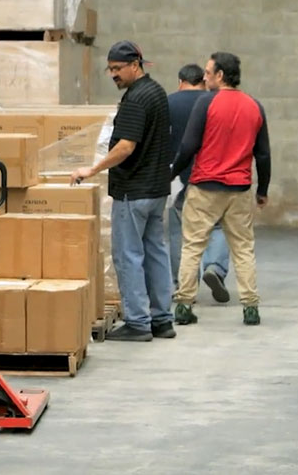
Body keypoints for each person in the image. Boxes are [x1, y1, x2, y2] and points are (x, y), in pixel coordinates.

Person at [71, 41, 175, 342]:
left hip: (134, 191)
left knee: (128, 255)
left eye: (118, 68)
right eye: (110, 69)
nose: (113, 74)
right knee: (156, 253)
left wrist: (92, 170)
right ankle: (162, 319)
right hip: (156, 190)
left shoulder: (136, 99)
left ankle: (138, 322)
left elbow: (126, 147)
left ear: (135, 65)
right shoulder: (156, 92)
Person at [170, 52, 271, 326]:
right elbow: (263, 154)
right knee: (243, 249)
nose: (204, 78)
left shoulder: (206, 102)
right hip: (240, 190)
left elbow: (189, 145)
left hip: (204, 187)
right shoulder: (254, 106)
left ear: (220, 75)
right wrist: (262, 190)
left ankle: (184, 304)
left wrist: (172, 172)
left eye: (207, 72)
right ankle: (250, 307)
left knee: (193, 245)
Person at [167, 63, 232, 303]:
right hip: (215, 176)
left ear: (180, 82)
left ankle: (184, 285)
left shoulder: (168, 103)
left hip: (179, 177)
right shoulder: (216, 102)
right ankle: (214, 267)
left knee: (179, 231)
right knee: (218, 225)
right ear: (204, 82)